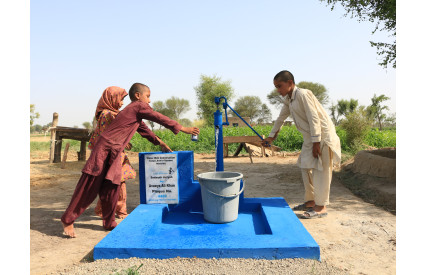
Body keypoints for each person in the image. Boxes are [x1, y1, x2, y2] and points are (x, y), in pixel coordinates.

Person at [61, 83, 200, 237]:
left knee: (111, 187)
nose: (149, 101)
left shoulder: (133, 112)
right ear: (138, 96)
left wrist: (160, 143)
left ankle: (109, 223)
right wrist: (183, 128)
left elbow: (144, 130)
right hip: (104, 149)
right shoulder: (137, 107)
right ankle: (67, 219)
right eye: (147, 96)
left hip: (115, 151)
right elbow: (158, 117)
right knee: (90, 185)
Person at [262, 70, 341, 219]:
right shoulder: (289, 100)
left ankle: (321, 207)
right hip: (310, 139)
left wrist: (316, 143)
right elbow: (281, 118)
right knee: (305, 166)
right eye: (276, 87)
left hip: (322, 137)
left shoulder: (303, 94)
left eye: (280, 86)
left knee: (321, 171)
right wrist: (271, 137)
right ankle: (310, 202)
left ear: (290, 83)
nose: (278, 90)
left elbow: (314, 118)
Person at [88, 86, 135, 220]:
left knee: (114, 182)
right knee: (117, 182)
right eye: (120, 99)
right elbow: (108, 138)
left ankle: (106, 209)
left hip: (113, 153)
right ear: (112, 99)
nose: (122, 103)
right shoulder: (107, 115)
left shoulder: (109, 114)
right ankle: (118, 211)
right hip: (111, 156)